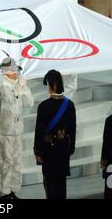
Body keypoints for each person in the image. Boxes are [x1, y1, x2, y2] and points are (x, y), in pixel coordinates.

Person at [0, 55, 33, 199]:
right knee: (6, 161)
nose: (16, 72)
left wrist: (24, 88)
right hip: (4, 130)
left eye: (16, 70)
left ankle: (13, 189)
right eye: (13, 70)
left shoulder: (19, 83)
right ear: (5, 71)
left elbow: (29, 103)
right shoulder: (0, 86)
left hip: (17, 129)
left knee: (16, 160)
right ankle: (4, 191)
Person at [34, 70, 76, 199]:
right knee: (61, 184)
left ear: (52, 85)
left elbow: (39, 132)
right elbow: (73, 130)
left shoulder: (43, 106)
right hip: (63, 148)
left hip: (49, 150)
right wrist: (70, 149)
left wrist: (38, 152)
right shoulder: (69, 105)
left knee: (50, 185)